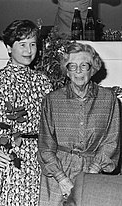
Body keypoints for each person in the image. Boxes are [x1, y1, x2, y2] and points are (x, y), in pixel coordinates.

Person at [0, 20, 52, 205]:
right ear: (9, 48)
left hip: (37, 162)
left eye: (33, 44)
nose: (28, 50)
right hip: (7, 161)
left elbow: (51, 128)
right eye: (22, 44)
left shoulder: (43, 83)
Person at [37, 42, 120, 206]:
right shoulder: (52, 100)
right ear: (67, 71)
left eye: (84, 65)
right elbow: (45, 146)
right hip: (58, 172)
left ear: (93, 68)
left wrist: (91, 174)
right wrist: (62, 179)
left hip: (94, 170)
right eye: (72, 66)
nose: (79, 71)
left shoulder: (109, 99)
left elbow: (111, 141)